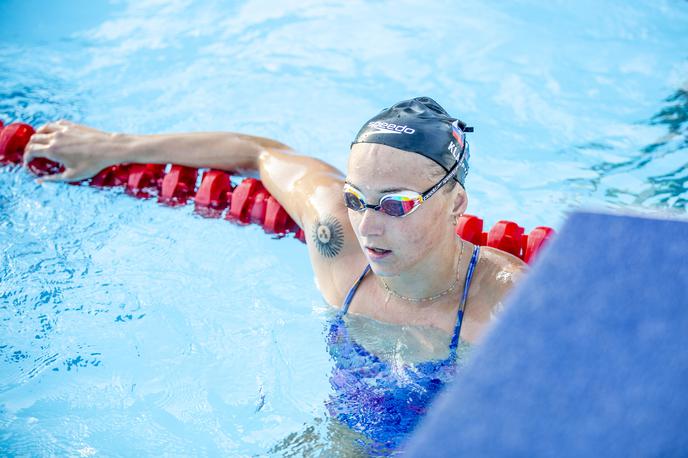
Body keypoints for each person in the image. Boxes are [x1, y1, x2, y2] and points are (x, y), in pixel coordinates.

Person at [23, 96, 526, 449]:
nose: (369, 226)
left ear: (457, 203)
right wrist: (111, 147)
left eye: (396, 204)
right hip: (343, 441)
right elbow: (260, 154)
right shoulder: (339, 248)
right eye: (356, 199)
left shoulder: (508, 304)